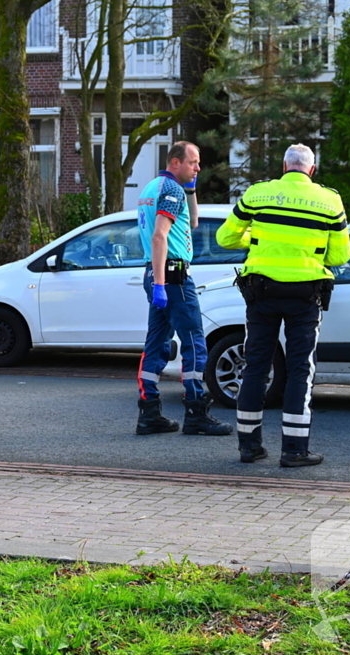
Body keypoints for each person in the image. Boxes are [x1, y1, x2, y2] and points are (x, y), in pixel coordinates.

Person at [216, 144, 350, 467]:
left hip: (262, 293)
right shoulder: (330, 201)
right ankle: (294, 451)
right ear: (312, 170)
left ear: (283, 166)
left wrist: (259, 241)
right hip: (305, 296)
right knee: (300, 370)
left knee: (256, 366)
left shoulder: (257, 194)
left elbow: (225, 238)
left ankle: (249, 447)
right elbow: (340, 256)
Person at [135, 141, 232, 437]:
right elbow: (159, 236)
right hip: (173, 276)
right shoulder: (171, 190)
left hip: (156, 274)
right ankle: (196, 413)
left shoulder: (152, 188)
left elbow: (192, 223)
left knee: (157, 344)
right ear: (175, 162)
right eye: (193, 162)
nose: (198, 168)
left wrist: (191, 188)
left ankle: (149, 414)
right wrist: (163, 284)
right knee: (194, 344)